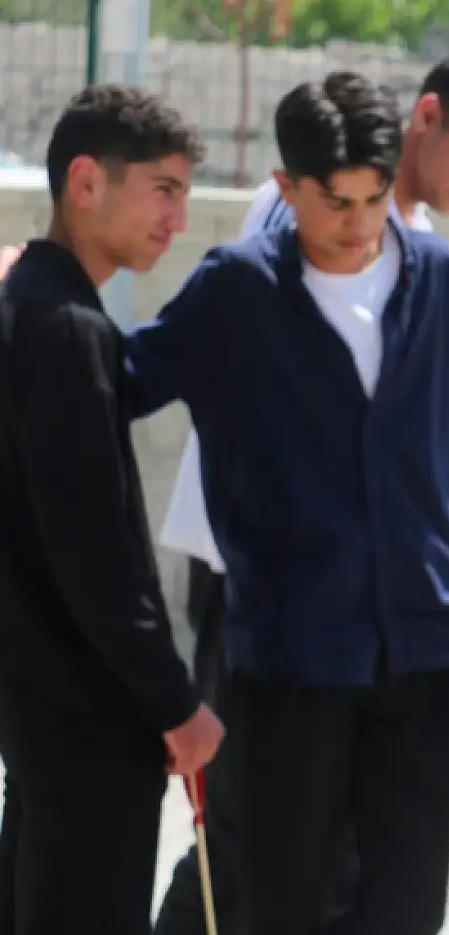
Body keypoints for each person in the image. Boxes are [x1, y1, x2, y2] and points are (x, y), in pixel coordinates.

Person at [151, 44, 449, 935]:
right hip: (257, 590)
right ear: (428, 118)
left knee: (362, 868)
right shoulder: (276, 234)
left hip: (394, 621)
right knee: (251, 841)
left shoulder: (431, 268)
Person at [0, 85, 223, 935]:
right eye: (164, 189)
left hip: (39, 721)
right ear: (86, 182)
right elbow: (96, 555)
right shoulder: (65, 329)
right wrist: (178, 704)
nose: (178, 217)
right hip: (89, 733)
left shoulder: (31, 306)